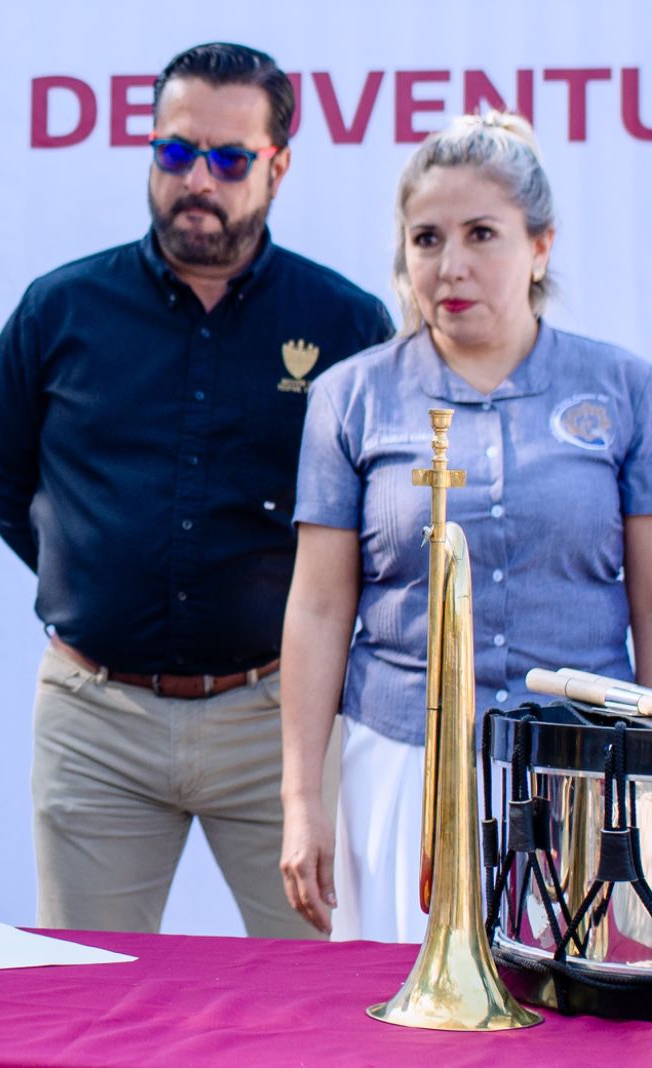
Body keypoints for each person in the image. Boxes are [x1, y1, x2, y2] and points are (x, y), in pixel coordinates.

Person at [0, 42, 394, 937]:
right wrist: (95, 574)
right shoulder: (61, 310)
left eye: (230, 159)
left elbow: (379, 514)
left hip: (280, 722)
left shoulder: (345, 324)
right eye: (176, 151)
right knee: (90, 988)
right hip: (97, 722)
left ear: (278, 167)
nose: (197, 180)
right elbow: (2, 475)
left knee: (320, 985)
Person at [279, 113, 652, 942]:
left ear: (540, 246)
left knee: (576, 1005)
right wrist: (303, 801)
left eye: (482, 234)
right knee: (405, 1009)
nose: (451, 265)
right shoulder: (350, 396)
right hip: (402, 773)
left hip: (586, 768)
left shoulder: (625, 388)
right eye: (427, 239)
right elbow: (318, 609)